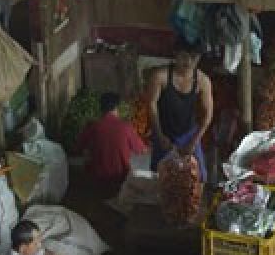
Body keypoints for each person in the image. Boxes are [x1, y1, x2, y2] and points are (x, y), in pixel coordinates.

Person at [146, 41, 214, 182]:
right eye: (184, 56)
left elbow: (207, 115)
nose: (188, 62)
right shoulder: (160, 76)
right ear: (175, 54)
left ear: (199, 58)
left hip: (189, 134)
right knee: (159, 176)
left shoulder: (203, 81)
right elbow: (151, 104)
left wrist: (194, 141)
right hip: (164, 132)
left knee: (199, 177)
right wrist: (159, 135)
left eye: (194, 57)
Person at [75, 92, 147, 196]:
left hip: (96, 178)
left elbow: (77, 148)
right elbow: (142, 150)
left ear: (100, 108)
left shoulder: (92, 126)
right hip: (120, 178)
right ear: (117, 107)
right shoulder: (126, 127)